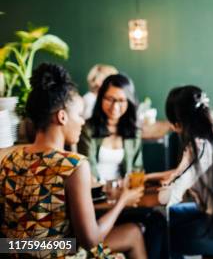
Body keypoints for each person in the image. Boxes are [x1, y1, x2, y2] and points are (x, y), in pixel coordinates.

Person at [0, 63, 146, 258]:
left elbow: (7, 239)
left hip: (18, 253)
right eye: (78, 115)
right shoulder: (74, 165)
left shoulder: (8, 159)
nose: (82, 121)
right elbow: (90, 240)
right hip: (61, 254)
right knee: (132, 234)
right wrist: (122, 201)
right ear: (62, 117)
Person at [148, 85, 213, 258]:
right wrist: (149, 177)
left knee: (159, 230)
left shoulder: (199, 146)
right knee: (160, 220)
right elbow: (182, 172)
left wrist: (142, 194)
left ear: (177, 125)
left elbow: (169, 196)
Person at [78, 74, 142, 183]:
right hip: (95, 191)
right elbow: (88, 170)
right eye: (110, 99)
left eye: (121, 100)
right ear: (101, 98)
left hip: (123, 192)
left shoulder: (134, 132)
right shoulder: (87, 129)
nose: (115, 107)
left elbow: (137, 169)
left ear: (129, 102)